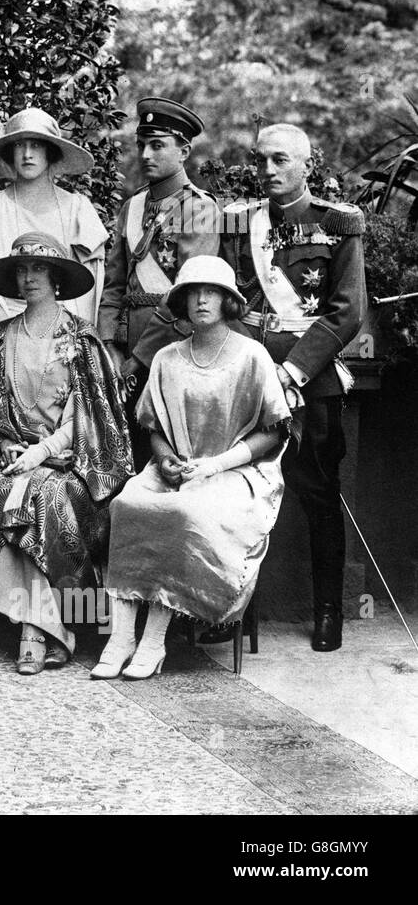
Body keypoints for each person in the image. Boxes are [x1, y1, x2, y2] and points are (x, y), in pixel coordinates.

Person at [98, 257, 291, 679]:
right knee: (127, 503)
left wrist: (216, 464)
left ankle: (154, 640)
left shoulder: (251, 355)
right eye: (192, 292)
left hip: (236, 473)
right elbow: (153, 425)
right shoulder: (167, 357)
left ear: (228, 301)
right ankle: (122, 635)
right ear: (181, 301)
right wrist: (165, 458)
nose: (202, 299)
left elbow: (273, 432)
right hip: (176, 469)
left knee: (185, 512)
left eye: (212, 291)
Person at [0, 232, 132, 674]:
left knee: (48, 495)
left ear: (56, 277)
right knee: (1, 490)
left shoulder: (84, 339)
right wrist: (8, 445)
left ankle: (36, 630)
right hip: (9, 462)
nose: (29, 278)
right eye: (21, 269)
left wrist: (45, 451)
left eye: (38, 269)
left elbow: (95, 419)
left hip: (76, 465)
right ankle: (57, 627)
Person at [220, 123, 367, 651]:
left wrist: (293, 372)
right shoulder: (239, 225)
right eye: (261, 161)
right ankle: (226, 610)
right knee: (233, 489)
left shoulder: (338, 223)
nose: (269, 171)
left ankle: (328, 612)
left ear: (307, 164)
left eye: (281, 161)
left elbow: (347, 311)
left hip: (312, 378)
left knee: (320, 495)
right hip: (250, 374)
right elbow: (227, 302)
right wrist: (258, 370)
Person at [98, 98, 221, 466]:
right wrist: (109, 345)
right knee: (126, 458)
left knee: (171, 452)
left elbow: (190, 293)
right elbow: (114, 284)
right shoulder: (132, 207)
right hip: (124, 348)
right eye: (142, 145)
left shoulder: (198, 209)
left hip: (175, 347)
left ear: (184, 151)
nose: (146, 154)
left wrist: (138, 359)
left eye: (158, 145)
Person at [0, 108, 108, 359]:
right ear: (10, 152)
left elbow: (88, 289)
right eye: (20, 145)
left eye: (36, 145)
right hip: (5, 337)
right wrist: (15, 333)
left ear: (50, 152)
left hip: (62, 341)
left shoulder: (77, 209)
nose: (28, 154)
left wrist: (56, 334)